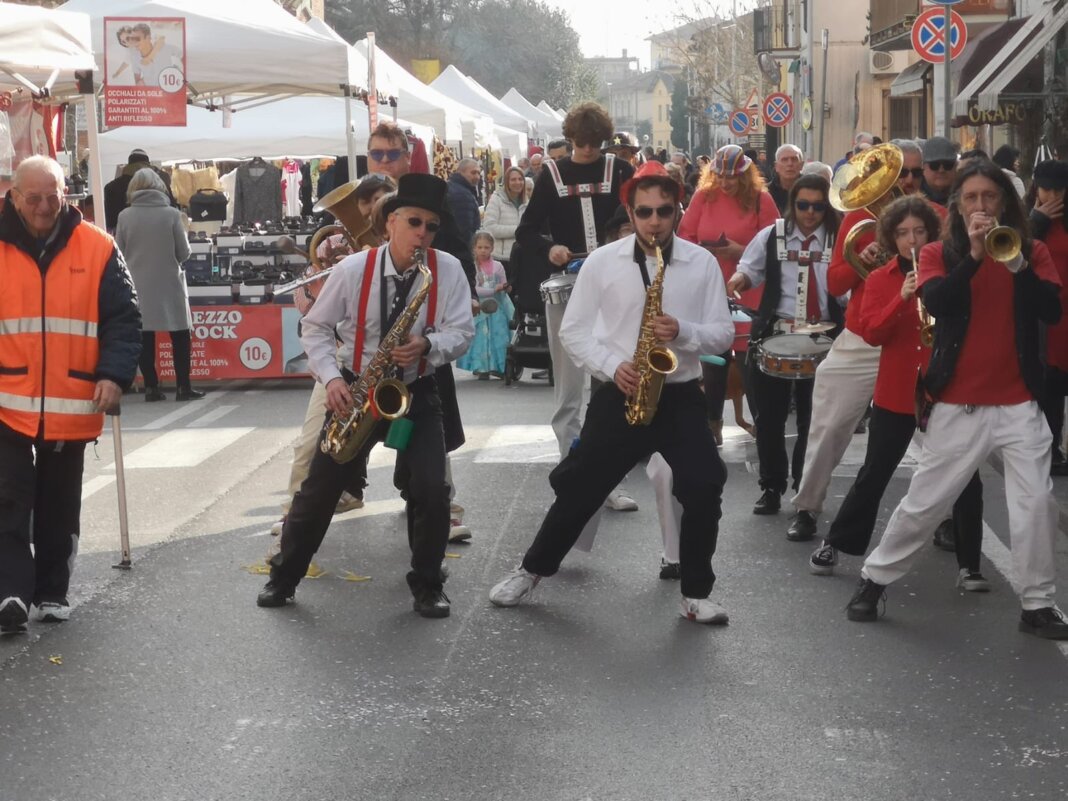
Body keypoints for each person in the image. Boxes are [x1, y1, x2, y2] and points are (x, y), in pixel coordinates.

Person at [488, 161, 735, 623]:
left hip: (678, 393)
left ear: (678, 209)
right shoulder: (603, 262)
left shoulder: (699, 263)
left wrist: (682, 331)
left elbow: (722, 334)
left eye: (664, 211)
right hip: (622, 390)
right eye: (644, 213)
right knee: (582, 487)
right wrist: (611, 366)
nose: (655, 222)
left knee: (704, 485)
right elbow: (575, 332)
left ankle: (696, 592)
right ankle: (532, 569)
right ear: (630, 211)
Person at [846, 160, 1068, 640]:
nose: (982, 206)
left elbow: (1050, 311)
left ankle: (1037, 604)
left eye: (990, 197)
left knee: (1036, 504)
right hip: (959, 404)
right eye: (971, 198)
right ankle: (875, 578)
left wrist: (1018, 267)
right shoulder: (936, 254)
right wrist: (971, 254)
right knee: (925, 502)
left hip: (1018, 404)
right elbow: (940, 303)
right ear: (957, 206)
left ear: (1006, 204)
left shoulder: (1029, 250)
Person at [256, 173, 474, 618]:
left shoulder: (445, 269)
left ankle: (429, 583)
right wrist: (333, 380)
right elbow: (315, 327)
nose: (422, 234)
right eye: (415, 222)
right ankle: (284, 575)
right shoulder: (353, 270)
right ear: (390, 222)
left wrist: (430, 345)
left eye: (432, 226)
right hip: (356, 388)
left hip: (414, 388)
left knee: (433, 489)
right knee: (320, 489)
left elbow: (462, 331)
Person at [806, 196, 985, 588]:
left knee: (965, 473)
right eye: (903, 233)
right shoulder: (880, 279)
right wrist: (902, 298)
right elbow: (871, 332)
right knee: (876, 470)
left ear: (932, 233)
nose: (912, 240)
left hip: (944, 387)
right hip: (896, 388)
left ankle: (970, 564)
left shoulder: (949, 272)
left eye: (919, 231)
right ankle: (837, 542)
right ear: (891, 237)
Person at [0, 156, 141, 633]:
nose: (43, 207)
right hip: (7, 399)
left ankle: (52, 589)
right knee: (8, 499)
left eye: (52, 197)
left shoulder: (97, 246)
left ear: (67, 195)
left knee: (59, 501)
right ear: (13, 196)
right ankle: (11, 593)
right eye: (33, 198)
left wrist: (113, 375)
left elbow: (123, 318)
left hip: (74, 397)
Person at [787, 140, 934, 542]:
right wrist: (864, 260)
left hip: (916, 337)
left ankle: (954, 515)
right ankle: (807, 507)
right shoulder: (855, 222)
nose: (905, 182)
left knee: (945, 432)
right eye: (900, 173)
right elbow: (835, 281)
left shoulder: (934, 218)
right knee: (830, 422)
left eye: (913, 174)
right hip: (863, 337)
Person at [267, 176, 397, 544]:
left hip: (399, 366)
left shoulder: (408, 243)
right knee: (311, 442)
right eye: (364, 202)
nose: (370, 209)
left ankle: (445, 512)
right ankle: (296, 510)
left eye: (379, 200)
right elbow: (309, 312)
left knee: (424, 443)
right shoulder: (335, 244)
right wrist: (330, 276)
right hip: (344, 361)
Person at [366, 121, 473, 540]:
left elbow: (456, 256)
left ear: (407, 156)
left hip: (419, 348)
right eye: (378, 154)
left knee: (431, 428)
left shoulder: (429, 202)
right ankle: (307, 507)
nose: (385, 161)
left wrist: (433, 332)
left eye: (393, 154)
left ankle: (440, 505)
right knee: (320, 440)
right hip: (362, 354)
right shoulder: (362, 193)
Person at [514, 102, 634, 458]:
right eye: (582, 142)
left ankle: (609, 471)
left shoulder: (623, 170)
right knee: (568, 384)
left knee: (612, 378)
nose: (587, 149)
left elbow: (639, 219)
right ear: (570, 138)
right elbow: (526, 231)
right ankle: (570, 464)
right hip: (568, 284)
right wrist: (550, 249)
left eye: (595, 142)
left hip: (616, 285)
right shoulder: (551, 174)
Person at [728, 174, 842, 514]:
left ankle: (804, 487)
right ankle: (771, 486)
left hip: (826, 334)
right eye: (803, 205)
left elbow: (848, 289)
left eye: (818, 206)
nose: (809, 213)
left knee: (814, 420)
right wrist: (739, 279)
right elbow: (750, 269)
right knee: (769, 418)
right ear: (793, 203)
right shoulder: (772, 235)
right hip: (775, 331)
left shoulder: (839, 238)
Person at [678, 144, 777, 443]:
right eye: (720, 176)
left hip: (750, 287)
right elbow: (685, 236)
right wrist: (703, 254)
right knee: (713, 358)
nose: (725, 183)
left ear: (745, 175)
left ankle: (762, 424)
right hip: (711, 285)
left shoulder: (761, 200)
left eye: (731, 177)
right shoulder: (703, 197)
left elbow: (775, 245)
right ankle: (712, 425)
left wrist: (741, 251)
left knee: (749, 359)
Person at [114, 168, 201, 402]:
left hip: (137, 284)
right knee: (181, 335)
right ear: (159, 187)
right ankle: (184, 386)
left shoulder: (124, 216)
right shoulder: (171, 214)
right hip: (169, 282)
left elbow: (118, 253)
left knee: (145, 335)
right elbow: (183, 253)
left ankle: (151, 387)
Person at [1028, 159, 1068, 475]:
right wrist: (1035, 220)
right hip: (1045, 311)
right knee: (1049, 383)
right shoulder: (1030, 220)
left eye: (1059, 189)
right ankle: (1050, 449)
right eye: (1046, 189)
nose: (1053, 195)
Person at [457, 231, 513, 379]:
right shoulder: (472, 266)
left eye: (486, 247)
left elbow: (504, 282)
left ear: (492, 248)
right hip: (479, 308)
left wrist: (506, 287)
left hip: (497, 309)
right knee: (481, 337)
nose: (483, 250)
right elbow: (474, 289)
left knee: (499, 335)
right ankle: (481, 366)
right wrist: (494, 289)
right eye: (480, 247)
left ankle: (499, 366)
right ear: (474, 248)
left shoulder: (498, 266)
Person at [103, 149, 176, 232]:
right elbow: (172, 208)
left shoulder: (111, 187)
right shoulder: (162, 184)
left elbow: (110, 222)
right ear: (148, 163)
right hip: (160, 232)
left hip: (128, 235)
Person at [481, 166, 528, 281]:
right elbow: (490, 228)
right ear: (507, 182)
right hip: (502, 259)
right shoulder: (496, 199)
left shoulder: (527, 202)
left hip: (523, 257)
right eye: (513, 179)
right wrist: (519, 230)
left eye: (520, 179)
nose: (517, 182)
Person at [446, 158, 482, 250]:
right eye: (473, 173)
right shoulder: (462, 195)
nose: (477, 177)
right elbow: (464, 230)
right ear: (460, 172)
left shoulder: (453, 188)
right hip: (459, 250)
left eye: (479, 173)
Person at [919, 136, 958, 206]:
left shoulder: (966, 194)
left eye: (947, 165)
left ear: (955, 166)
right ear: (923, 167)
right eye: (934, 165)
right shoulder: (913, 196)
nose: (941, 170)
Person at [768, 143, 803, 213]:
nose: (790, 164)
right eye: (784, 160)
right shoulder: (766, 193)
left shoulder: (812, 190)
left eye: (794, 159)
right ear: (776, 166)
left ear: (801, 165)